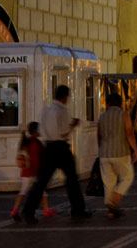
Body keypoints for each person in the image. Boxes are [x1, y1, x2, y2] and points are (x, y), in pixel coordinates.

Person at [21, 85, 89, 224]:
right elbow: (63, 132)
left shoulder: (46, 110)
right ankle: (77, 210)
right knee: (71, 180)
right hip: (61, 147)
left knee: (41, 181)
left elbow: (40, 130)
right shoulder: (62, 110)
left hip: (48, 148)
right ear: (65, 97)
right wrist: (73, 125)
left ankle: (28, 210)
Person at [97, 92, 137, 219]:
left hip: (104, 153)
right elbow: (129, 132)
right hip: (121, 152)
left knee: (109, 181)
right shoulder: (123, 115)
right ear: (120, 103)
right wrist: (135, 149)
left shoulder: (102, 117)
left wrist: (101, 149)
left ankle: (111, 211)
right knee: (127, 176)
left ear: (108, 103)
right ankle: (115, 197)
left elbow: (98, 135)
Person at [10, 122, 56, 221]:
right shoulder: (36, 143)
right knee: (34, 191)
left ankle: (15, 210)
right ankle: (45, 210)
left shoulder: (27, 142)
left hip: (27, 172)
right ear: (35, 131)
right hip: (33, 172)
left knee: (30, 191)